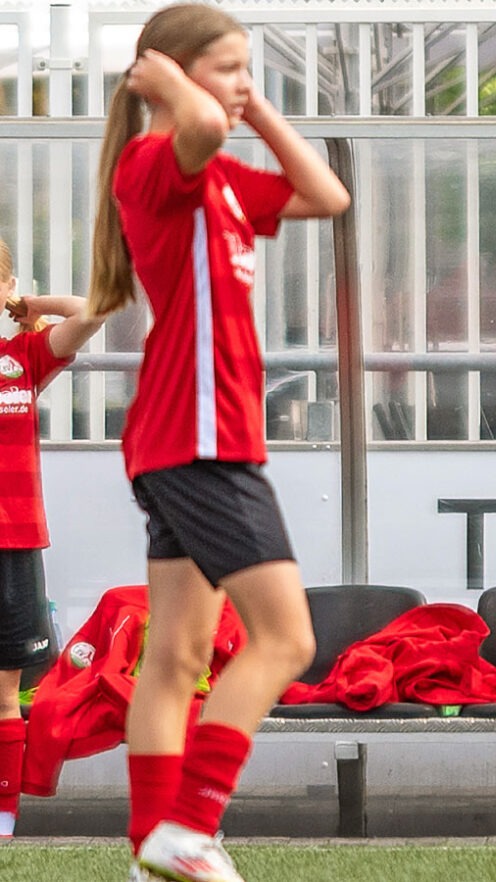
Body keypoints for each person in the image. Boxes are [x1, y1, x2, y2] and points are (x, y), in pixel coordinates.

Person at [88, 4, 349, 881]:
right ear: (171, 73)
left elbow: (328, 194)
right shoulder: (154, 159)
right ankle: (191, 826)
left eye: (252, 71)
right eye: (232, 69)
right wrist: (168, 85)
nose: (245, 87)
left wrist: (253, 108)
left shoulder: (227, 177)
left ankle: (148, 849)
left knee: (178, 658)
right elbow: (193, 123)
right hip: (197, 438)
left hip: (185, 436)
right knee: (287, 641)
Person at [0, 238, 109, 839]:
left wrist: (29, 303)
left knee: (7, 689)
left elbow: (95, 308)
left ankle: (5, 820)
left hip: (13, 543)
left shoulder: (21, 357)